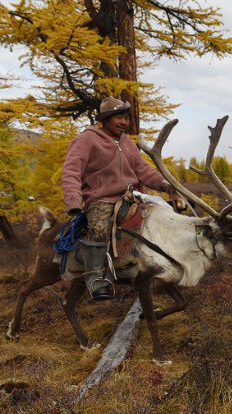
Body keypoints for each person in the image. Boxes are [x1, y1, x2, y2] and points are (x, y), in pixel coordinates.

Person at [61, 97, 170, 301]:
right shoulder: (86, 139)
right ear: (105, 119)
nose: (124, 122)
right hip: (101, 199)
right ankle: (97, 279)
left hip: (130, 198)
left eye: (126, 118)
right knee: (100, 228)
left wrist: (165, 184)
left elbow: (143, 171)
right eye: (119, 118)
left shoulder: (126, 142)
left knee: (162, 216)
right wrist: (73, 201)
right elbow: (71, 171)